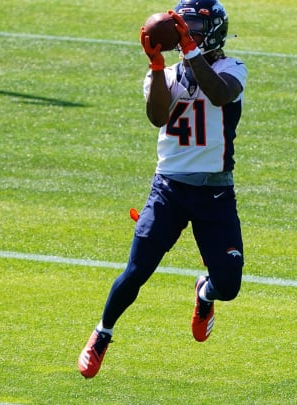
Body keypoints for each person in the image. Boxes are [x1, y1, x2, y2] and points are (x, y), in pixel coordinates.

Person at [78, 0, 247, 379]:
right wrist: (156, 67)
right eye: (183, 27)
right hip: (169, 189)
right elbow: (157, 117)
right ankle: (102, 333)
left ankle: (205, 293)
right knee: (137, 270)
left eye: (194, 28)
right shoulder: (167, 75)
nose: (187, 33)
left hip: (215, 192)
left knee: (230, 285)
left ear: (214, 31)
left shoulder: (232, 68)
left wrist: (192, 52)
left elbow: (219, 94)